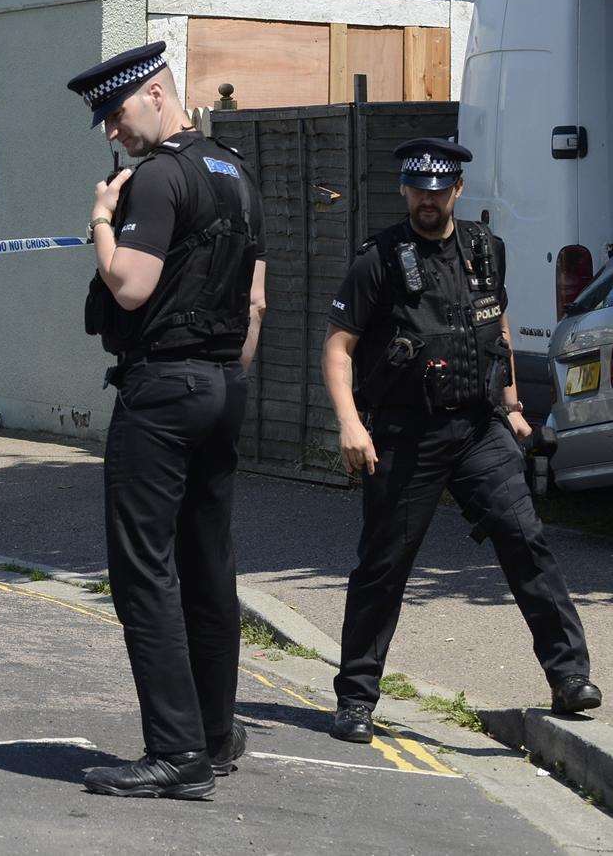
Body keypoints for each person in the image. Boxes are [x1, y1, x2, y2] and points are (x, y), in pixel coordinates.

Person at [322, 137, 599, 743]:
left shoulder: (484, 248)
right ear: (405, 191)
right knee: (383, 567)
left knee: (526, 540)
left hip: (478, 429)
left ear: (457, 190)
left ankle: (569, 675)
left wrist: (513, 406)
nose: (429, 198)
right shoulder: (379, 260)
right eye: (419, 188)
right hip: (403, 436)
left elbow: (494, 321)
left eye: (439, 188)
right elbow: (339, 346)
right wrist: (350, 422)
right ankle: (355, 700)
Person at [65, 42, 268, 799]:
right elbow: (254, 302)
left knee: (142, 570)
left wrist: (98, 222)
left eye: (117, 114)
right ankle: (215, 735)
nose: (113, 133)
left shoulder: (155, 178)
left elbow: (128, 286)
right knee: (207, 565)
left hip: (162, 390)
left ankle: (175, 752)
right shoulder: (233, 171)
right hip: (222, 384)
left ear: (155, 93)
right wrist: (225, 375)